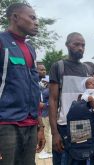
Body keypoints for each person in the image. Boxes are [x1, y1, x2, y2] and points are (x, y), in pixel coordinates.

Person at [0, 3, 45, 165]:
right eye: (32, 18)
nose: (36, 22)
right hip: (6, 124)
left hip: (30, 124)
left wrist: (40, 125)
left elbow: (34, 87)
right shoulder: (2, 42)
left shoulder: (30, 49)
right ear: (15, 17)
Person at [49, 32, 91, 164]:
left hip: (83, 125)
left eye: (83, 45)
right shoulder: (59, 66)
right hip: (63, 126)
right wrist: (55, 133)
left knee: (81, 160)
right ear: (67, 45)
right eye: (76, 44)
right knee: (62, 160)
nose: (80, 48)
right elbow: (53, 100)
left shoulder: (86, 69)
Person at [37, 64, 53, 159]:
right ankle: (46, 148)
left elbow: (54, 99)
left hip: (47, 112)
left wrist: (45, 105)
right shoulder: (41, 84)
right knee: (46, 131)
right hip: (42, 112)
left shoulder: (50, 86)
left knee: (47, 131)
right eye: (41, 70)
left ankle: (49, 151)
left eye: (45, 69)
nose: (44, 71)